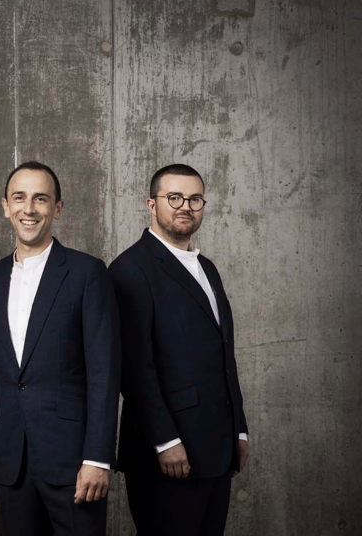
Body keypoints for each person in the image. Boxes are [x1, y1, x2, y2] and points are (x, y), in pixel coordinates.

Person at [0, 162, 121, 536]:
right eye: (19, 198)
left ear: (57, 208)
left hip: (73, 460)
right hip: (9, 459)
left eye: (40, 199)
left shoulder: (87, 273)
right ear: (5, 207)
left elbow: (104, 371)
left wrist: (98, 457)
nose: (29, 209)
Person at [110, 164, 249, 536]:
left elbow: (224, 357)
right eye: (174, 197)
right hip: (168, 454)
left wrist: (239, 430)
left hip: (217, 448)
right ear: (151, 204)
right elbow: (134, 369)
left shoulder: (207, 268)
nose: (185, 206)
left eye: (195, 199)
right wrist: (165, 441)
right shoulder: (130, 269)